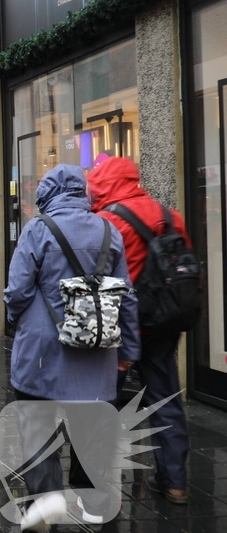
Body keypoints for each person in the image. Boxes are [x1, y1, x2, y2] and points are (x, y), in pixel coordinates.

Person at [4, 164, 141, 532]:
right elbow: (126, 296)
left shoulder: (38, 230)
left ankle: (45, 499)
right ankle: (93, 502)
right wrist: (129, 348)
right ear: (83, 192)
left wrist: (17, 321)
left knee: (37, 422)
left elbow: (17, 290)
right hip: (96, 349)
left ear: (46, 194)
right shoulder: (109, 230)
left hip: (42, 349)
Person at [88, 156, 191, 505]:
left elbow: (99, 274)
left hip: (122, 324)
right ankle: (174, 482)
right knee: (165, 398)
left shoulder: (108, 221)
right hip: (164, 320)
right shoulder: (171, 216)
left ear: (103, 183)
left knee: (105, 400)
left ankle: (99, 478)